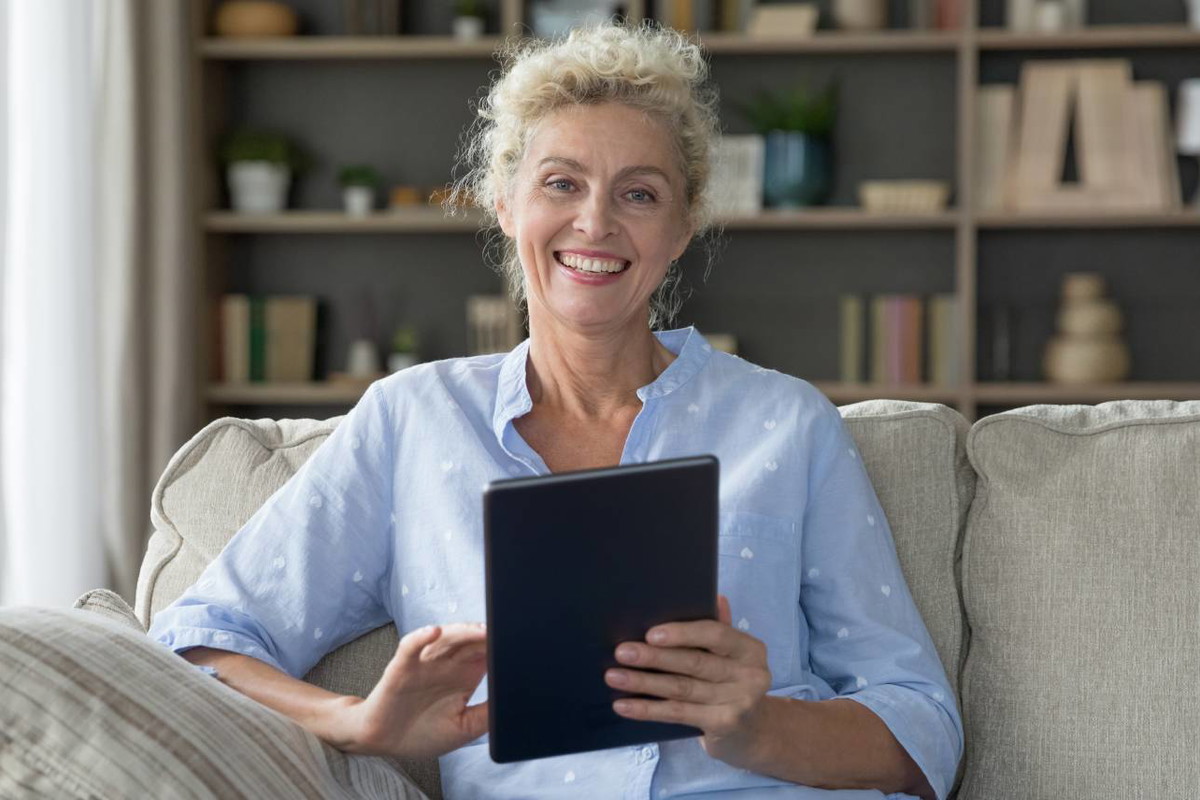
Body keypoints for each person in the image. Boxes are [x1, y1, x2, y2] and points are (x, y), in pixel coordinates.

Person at [146, 21, 962, 800]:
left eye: (639, 194)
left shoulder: (787, 423)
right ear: (505, 203)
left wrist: (758, 728)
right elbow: (199, 642)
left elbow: (921, 724)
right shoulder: (411, 423)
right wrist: (358, 723)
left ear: (681, 229)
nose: (595, 222)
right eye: (561, 183)